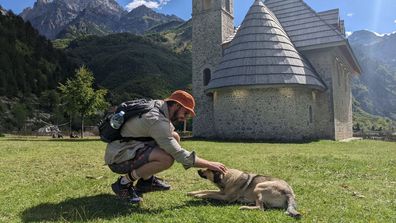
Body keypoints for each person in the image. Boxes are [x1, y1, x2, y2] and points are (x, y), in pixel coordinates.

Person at [104, 90, 227, 203]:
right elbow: (179, 155)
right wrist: (210, 164)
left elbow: (170, 138)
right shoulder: (156, 120)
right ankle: (123, 184)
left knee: (175, 136)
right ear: (177, 105)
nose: (185, 118)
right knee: (166, 159)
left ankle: (146, 182)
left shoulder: (159, 107)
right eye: (185, 112)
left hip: (129, 147)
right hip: (118, 158)